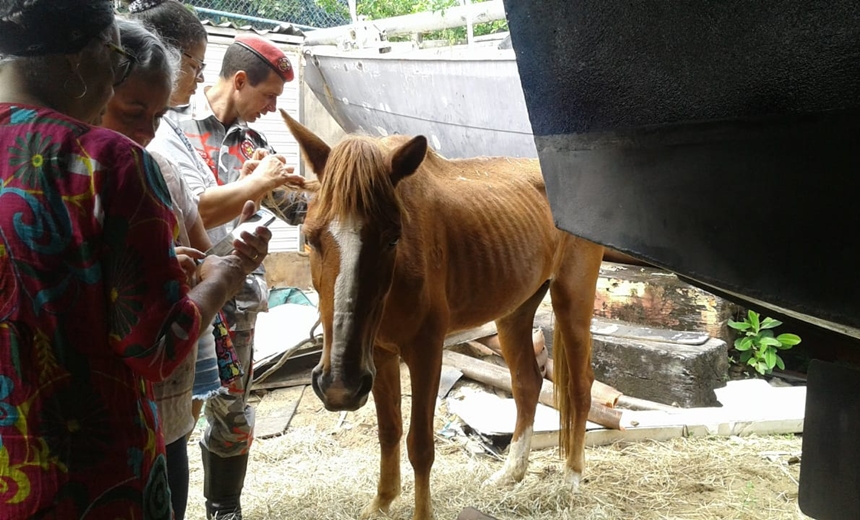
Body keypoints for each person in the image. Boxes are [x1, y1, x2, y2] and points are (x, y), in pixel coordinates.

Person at [0, 1, 271, 518]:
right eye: (116, 57)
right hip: (93, 475)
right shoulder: (109, 161)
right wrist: (226, 273)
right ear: (90, 57)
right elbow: (155, 345)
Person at [138, 3, 306, 518]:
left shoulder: (254, 142)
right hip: (187, 295)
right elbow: (194, 204)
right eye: (268, 96)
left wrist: (315, 183)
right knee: (176, 417)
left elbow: (297, 212)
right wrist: (255, 183)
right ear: (239, 80)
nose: (271, 109)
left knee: (232, 412)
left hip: (237, 306)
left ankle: (224, 507)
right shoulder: (167, 124)